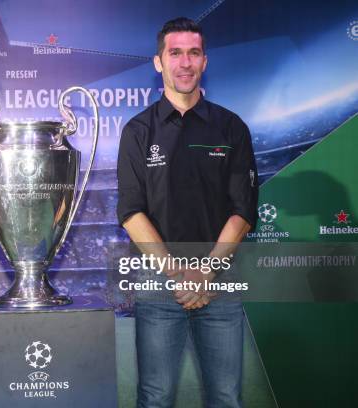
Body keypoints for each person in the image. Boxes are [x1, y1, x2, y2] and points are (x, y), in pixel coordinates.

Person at [116, 17, 258, 407]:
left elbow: (243, 210)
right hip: (159, 283)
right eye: (174, 53)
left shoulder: (231, 128)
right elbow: (131, 212)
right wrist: (178, 273)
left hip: (220, 281)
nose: (185, 62)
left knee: (226, 398)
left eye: (193, 53)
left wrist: (206, 271)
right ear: (158, 62)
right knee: (156, 398)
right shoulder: (138, 131)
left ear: (204, 61)